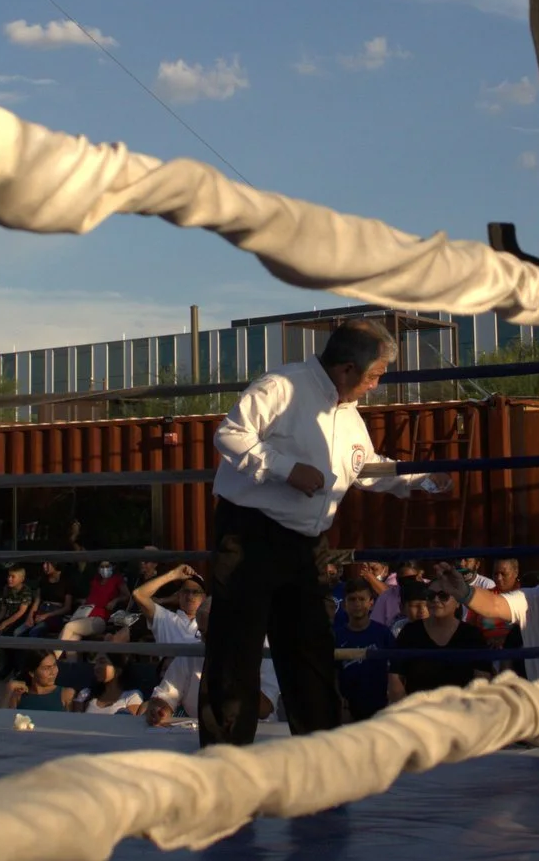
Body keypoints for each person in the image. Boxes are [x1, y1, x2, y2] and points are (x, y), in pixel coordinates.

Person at [200, 320, 446, 746]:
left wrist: (421, 478)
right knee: (235, 653)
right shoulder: (282, 386)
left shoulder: (349, 415)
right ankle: (223, 759)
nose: (376, 386)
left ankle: (319, 753)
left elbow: (365, 467)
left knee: (310, 652)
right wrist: (285, 469)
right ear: (348, 368)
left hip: (307, 546)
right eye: (374, 376)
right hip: (250, 536)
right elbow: (230, 434)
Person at [388, 581, 490, 702]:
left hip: (461, 709)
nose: (436, 600)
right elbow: (395, 678)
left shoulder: (471, 635)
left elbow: (482, 680)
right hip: (417, 709)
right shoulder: (410, 632)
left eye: (443, 596)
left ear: (458, 602)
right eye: (431, 595)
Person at [134, 564, 208, 727]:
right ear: (178, 595)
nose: (190, 596)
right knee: (147, 711)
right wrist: (173, 574)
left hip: (199, 692)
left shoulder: (212, 623)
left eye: (196, 592)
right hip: (169, 691)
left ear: (204, 598)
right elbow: (138, 594)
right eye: (185, 591)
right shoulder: (165, 619)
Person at [331, 575, 396, 723]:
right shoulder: (336, 636)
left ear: (371, 603)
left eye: (362, 599)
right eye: (352, 599)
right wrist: (341, 704)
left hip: (382, 708)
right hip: (349, 710)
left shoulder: (383, 633)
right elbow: (333, 674)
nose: (357, 604)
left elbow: (396, 669)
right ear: (344, 605)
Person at [0, 651, 68, 713]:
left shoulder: (65, 694)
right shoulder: (19, 695)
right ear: (32, 673)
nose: (53, 672)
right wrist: (9, 689)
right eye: (47, 668)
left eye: (54, 665)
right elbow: (0, 718)